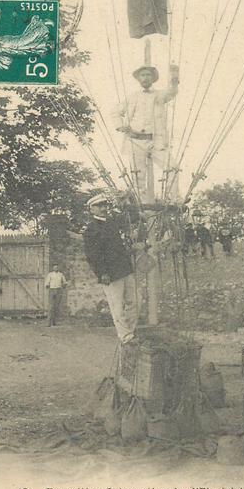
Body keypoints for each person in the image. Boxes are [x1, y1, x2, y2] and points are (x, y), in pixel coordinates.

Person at [112, 63, 180, 202]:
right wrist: (122, 127)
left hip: (155, 141)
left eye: (148, 75)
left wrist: (174, 77)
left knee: (172, 167)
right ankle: (142, 206)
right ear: (138, 78)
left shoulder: (160, 95)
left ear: (153, 78)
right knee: (138, 176)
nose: (145, 78)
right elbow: (115, 113)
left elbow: (172, 92)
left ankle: (173, 198)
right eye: (142, 75)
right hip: (136, 140)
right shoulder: (132, 97)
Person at [83, 191, 138, 345]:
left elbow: (133, 217)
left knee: (134, 302)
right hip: (110, 273)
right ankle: (125, 335)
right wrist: (102, 273)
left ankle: (131, 331)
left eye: (105, 205)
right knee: (116, 306)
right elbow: (92, 255)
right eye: (99, 206)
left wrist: (127, 201)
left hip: (125, 269)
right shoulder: (91, 229)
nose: (103, 208)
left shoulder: (113, 222)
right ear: (91, 209)